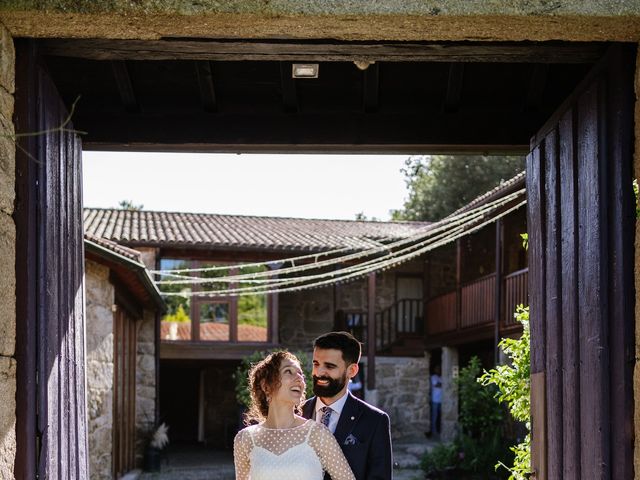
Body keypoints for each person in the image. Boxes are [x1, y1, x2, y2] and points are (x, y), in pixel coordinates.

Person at [233, 350, 356, 480]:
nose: (299, 379)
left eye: (300, 374)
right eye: (288, 371)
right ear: (266, 386)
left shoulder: (318, 434)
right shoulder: (245, 439)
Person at [303, 332, 393, 480]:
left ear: (352, 371)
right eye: (316, 364)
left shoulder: (375, 421)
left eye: (329, 366)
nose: (319, 372)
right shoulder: (295, 412)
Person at [430, 365, 442, 437]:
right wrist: (444, 384)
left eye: (439, 369)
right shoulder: (433, 377)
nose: (438, 370)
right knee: (434, 416)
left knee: (441, 417)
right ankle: (433, 431)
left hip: (442, 400)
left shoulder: (442, 377)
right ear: (434, 370)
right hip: (435, 399)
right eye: (437, 369)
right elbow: (436, 385)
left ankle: (440, 430)